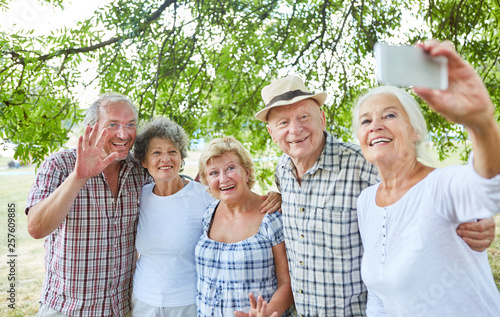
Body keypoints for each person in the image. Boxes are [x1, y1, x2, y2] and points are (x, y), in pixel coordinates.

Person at [255, 74, 497, 316]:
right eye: (283, 123)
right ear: (271, 133)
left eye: (304, 117)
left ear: (322, 118)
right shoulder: (283, 171)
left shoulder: (363, 160)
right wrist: (278, 196)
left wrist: (475, 215)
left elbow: (420, 187)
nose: (295, 129)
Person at [353, 40, 500, 316]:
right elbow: (379, 297)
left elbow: (489, 188)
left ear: (415, 131)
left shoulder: (440, 186)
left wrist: (481, 123)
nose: (375, 126)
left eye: (390, 115)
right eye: (365, 121)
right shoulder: (366, 203)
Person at [26, 93, 149, 317]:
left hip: (122, 309)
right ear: (92, 127)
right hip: (67, 309)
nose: (124, 134)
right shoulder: (59, 165)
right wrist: (78, 178)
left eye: (130, 124)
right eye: (113, 124)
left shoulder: (140, 170)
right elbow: (36, 228)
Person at [196, 136, 294, 316]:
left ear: (247, 172)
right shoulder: (208, 213)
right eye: (213, 173)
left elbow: (288, 284)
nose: (223, 178)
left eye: (230, 168)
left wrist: (266, 313)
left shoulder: (271, 217)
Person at [130, 117, 212, 316]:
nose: (165, 159)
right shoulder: (139, 196)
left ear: (181, 158)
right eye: (156, 152)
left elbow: (240, 208)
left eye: (172, 152)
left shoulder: (203, 195)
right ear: (144, 161)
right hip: (143, 302)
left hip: (188, 303)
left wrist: (274, 198)